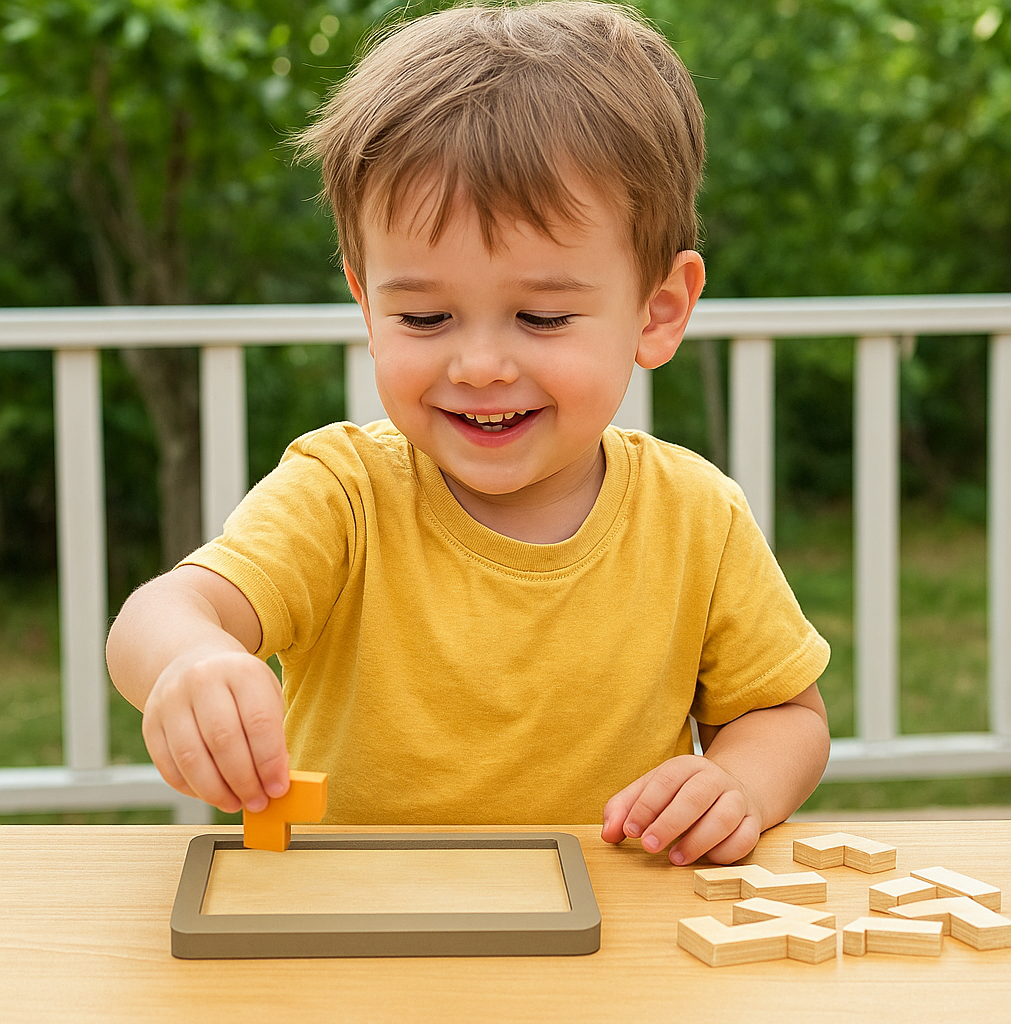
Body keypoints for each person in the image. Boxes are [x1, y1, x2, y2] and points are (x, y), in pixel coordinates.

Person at [106, 0, 831, 867]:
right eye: (425, 316)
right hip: (354, 943)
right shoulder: (341, 494)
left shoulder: (696, 518)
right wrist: (187, 660)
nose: (479, 364)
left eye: (541, 315)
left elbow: (784, 715)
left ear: (658, 310)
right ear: (365, 304)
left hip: (609, 954)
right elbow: (161, 614)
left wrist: (739, 784)